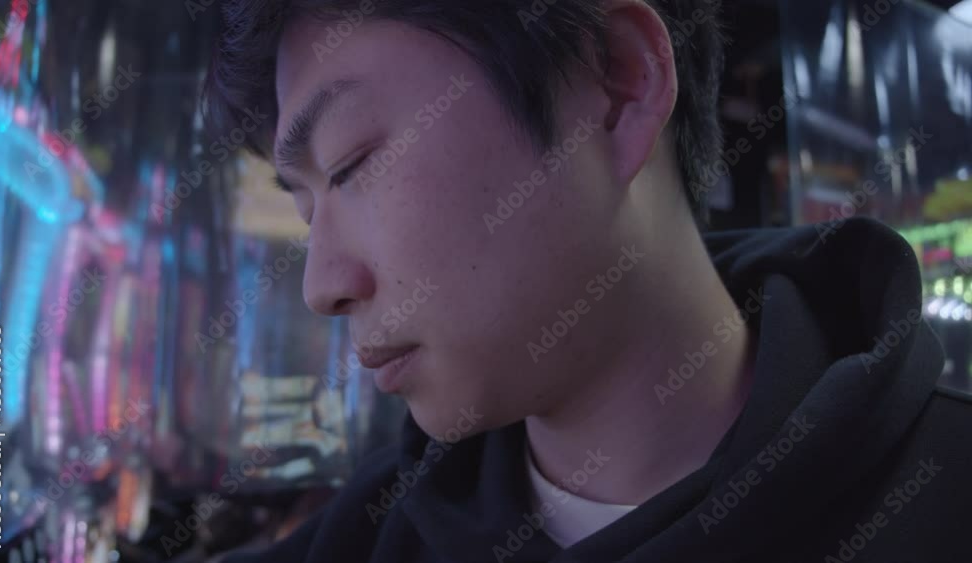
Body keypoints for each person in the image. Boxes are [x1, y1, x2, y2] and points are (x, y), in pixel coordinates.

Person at [204, 1, 972, 561]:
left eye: (349, 165)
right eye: (305, 207)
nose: (320, 285)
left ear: (618, 86)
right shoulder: (366, 538)